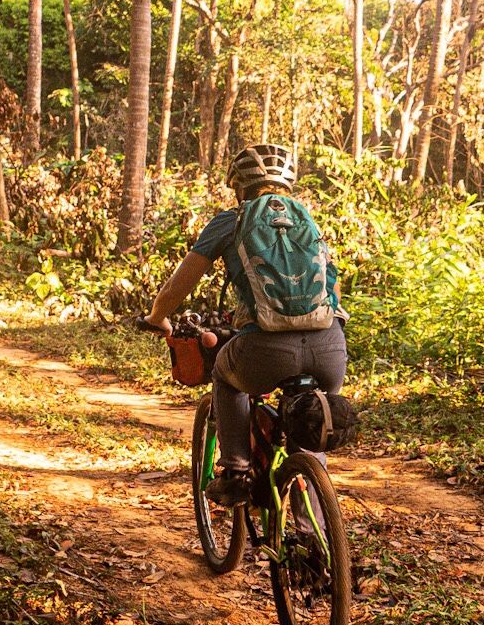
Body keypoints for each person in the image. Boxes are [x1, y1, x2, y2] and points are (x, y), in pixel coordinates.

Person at [143, 143, 347, 505]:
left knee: (225, 376)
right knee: (310, 428)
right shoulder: (308, 220)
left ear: (238, 186)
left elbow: (182, 281)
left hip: (266, 348)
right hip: (329, 347)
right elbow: (332, 285)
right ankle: (312, 539)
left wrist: (157, 317)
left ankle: (235, 470)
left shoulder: (232, 219)